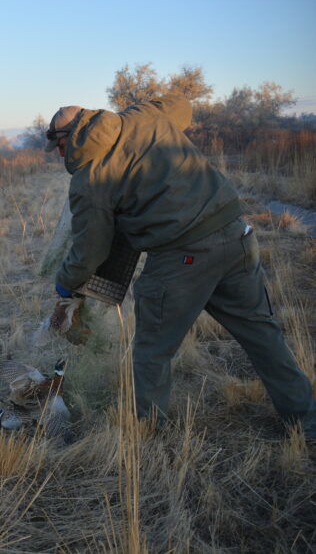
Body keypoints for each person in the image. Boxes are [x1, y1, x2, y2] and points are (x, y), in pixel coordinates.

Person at [45, 95, 316, 437]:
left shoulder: (90, 179)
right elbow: (182, 107)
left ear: (68, 139)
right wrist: (152, 106)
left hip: (181, 257)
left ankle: (147, 432)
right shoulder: (142, 115)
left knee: (152, 350)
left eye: (59, 147)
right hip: (236, 235)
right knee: (263, 334)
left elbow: (90, 250)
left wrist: (65, 283)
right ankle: (305, 420)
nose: (60, 155)